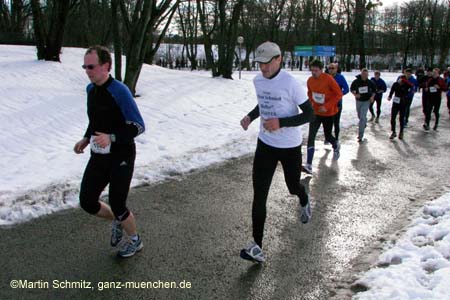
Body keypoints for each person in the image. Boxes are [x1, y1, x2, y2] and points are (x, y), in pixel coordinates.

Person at [239, 41, 313, 263]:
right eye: (259, 63)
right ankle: (257, 246)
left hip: (289, 146)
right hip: (265, 144)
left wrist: (281, 122)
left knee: (292, 186)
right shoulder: (258, 80)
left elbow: (310, 114)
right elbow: (263, 104)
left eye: (267, 63)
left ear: (279, 59)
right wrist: (250, 117)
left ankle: (303, 197)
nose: (263, 68)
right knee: (259, 194)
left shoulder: (291, 83)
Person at [74, 46, 146, 258]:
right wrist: (87, 138)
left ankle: (135, 241)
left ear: (105, 66)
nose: (87, 70)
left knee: (117, 201)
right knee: (87, 200)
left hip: (121, 155)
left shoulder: (120, 91)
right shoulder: (91, 90)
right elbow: (96, 121)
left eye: (91, 66)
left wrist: (111, 137)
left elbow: (138, 126)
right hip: (99, 155)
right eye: (85, 66)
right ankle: (118, 220)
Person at [302, 60, 342, 175]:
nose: (313, 73)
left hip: (328, 113)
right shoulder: (310, 80)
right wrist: (311, 103)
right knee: (311, 137)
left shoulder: (329, 79)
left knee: (328, 136)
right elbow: (310, 93)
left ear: (321, 70)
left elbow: (338, 94)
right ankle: (309, 164)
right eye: (312, 70)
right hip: (315, 113)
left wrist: (327, 106)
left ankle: (336, 145)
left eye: (316, 70)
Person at [350, 68, 376, 143]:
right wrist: (355, 94)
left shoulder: (370, 82)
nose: (364, 75)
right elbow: (351, 89)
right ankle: (364, 122)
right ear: (361, 74)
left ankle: (360, 135)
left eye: (366, 74)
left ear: (368, 75)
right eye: (363, 74)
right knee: (359, 115)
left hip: (366, 101)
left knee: (362, 116)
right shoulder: (356, 81)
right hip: (358, 101)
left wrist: (372, 97)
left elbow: (374, 91)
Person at [327, 63, 349, 142]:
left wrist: (339, 94)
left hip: (337, 103)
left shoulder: (340, 78)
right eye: (329, 68)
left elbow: (346, 89)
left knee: (336, 121)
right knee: (328, 121)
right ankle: (328, 137)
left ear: (336, 69)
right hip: (327, 103)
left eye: (333, 68)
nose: (331, 70)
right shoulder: (326, 77)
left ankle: (336, 138)